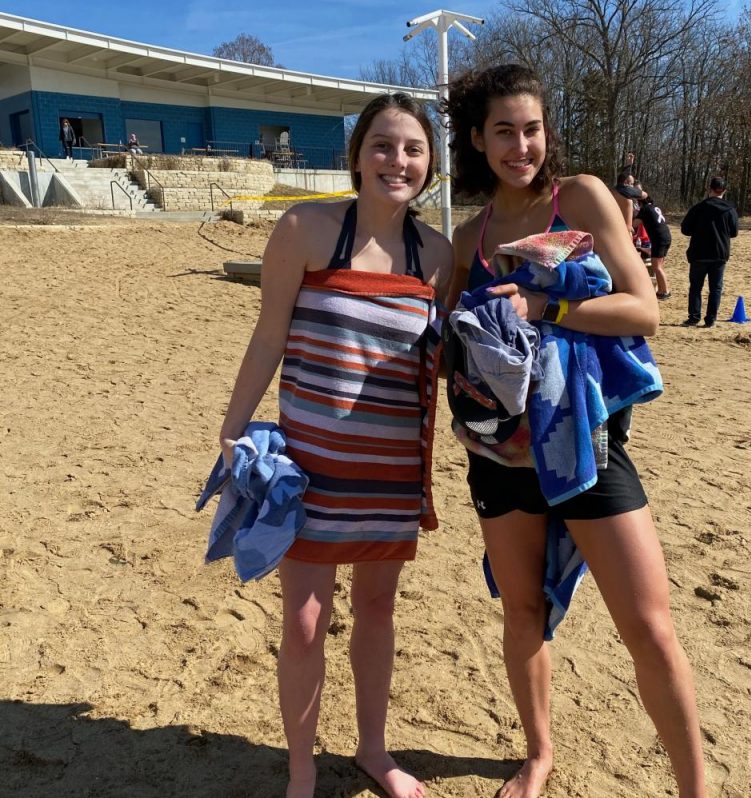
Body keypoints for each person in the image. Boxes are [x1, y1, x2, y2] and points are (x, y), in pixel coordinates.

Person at [444, 64, 707, 798]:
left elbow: (644, 310)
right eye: (503, 131)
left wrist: (543, 308)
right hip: (499, 455)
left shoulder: (583, 197)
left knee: (650, 629)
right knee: (522, 610)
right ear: (477, 139)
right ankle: (537, 755)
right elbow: (442, 343)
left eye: (531, 129)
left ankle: (697, 790)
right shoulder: (470, 235)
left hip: (585, 445)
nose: (520, 145)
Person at [217, 92, 452, 798]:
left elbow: (445, 363)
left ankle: (374, 752)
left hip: (389, 472)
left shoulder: (436, 255)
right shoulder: (305, 229)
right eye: (382, 145)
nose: (397, 160)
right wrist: (232, 429)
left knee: (378, 612)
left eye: (413, 148)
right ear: (355, 157)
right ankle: (300, 770)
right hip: (311, 469)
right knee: (306, 619)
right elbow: (269, 337)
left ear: (431, 164)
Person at [680, 176, 739, 327]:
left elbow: (685, 229)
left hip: (699, 253)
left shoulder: (698, 208)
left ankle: (694, 316)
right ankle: (710, 318)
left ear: (709, 189)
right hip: (719, 253)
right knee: (716, 288)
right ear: (724, 191)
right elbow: (734, 232)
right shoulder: (729, 210)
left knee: (695, 287)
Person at [636, 194, 673, 299]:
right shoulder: (654, 207)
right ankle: (662, 290)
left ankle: (665, 291)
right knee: (660, 266)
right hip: (666, 237)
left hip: (659, 239)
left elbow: (634, 224)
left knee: (656, 267)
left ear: (640, 202)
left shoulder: (645, 209)